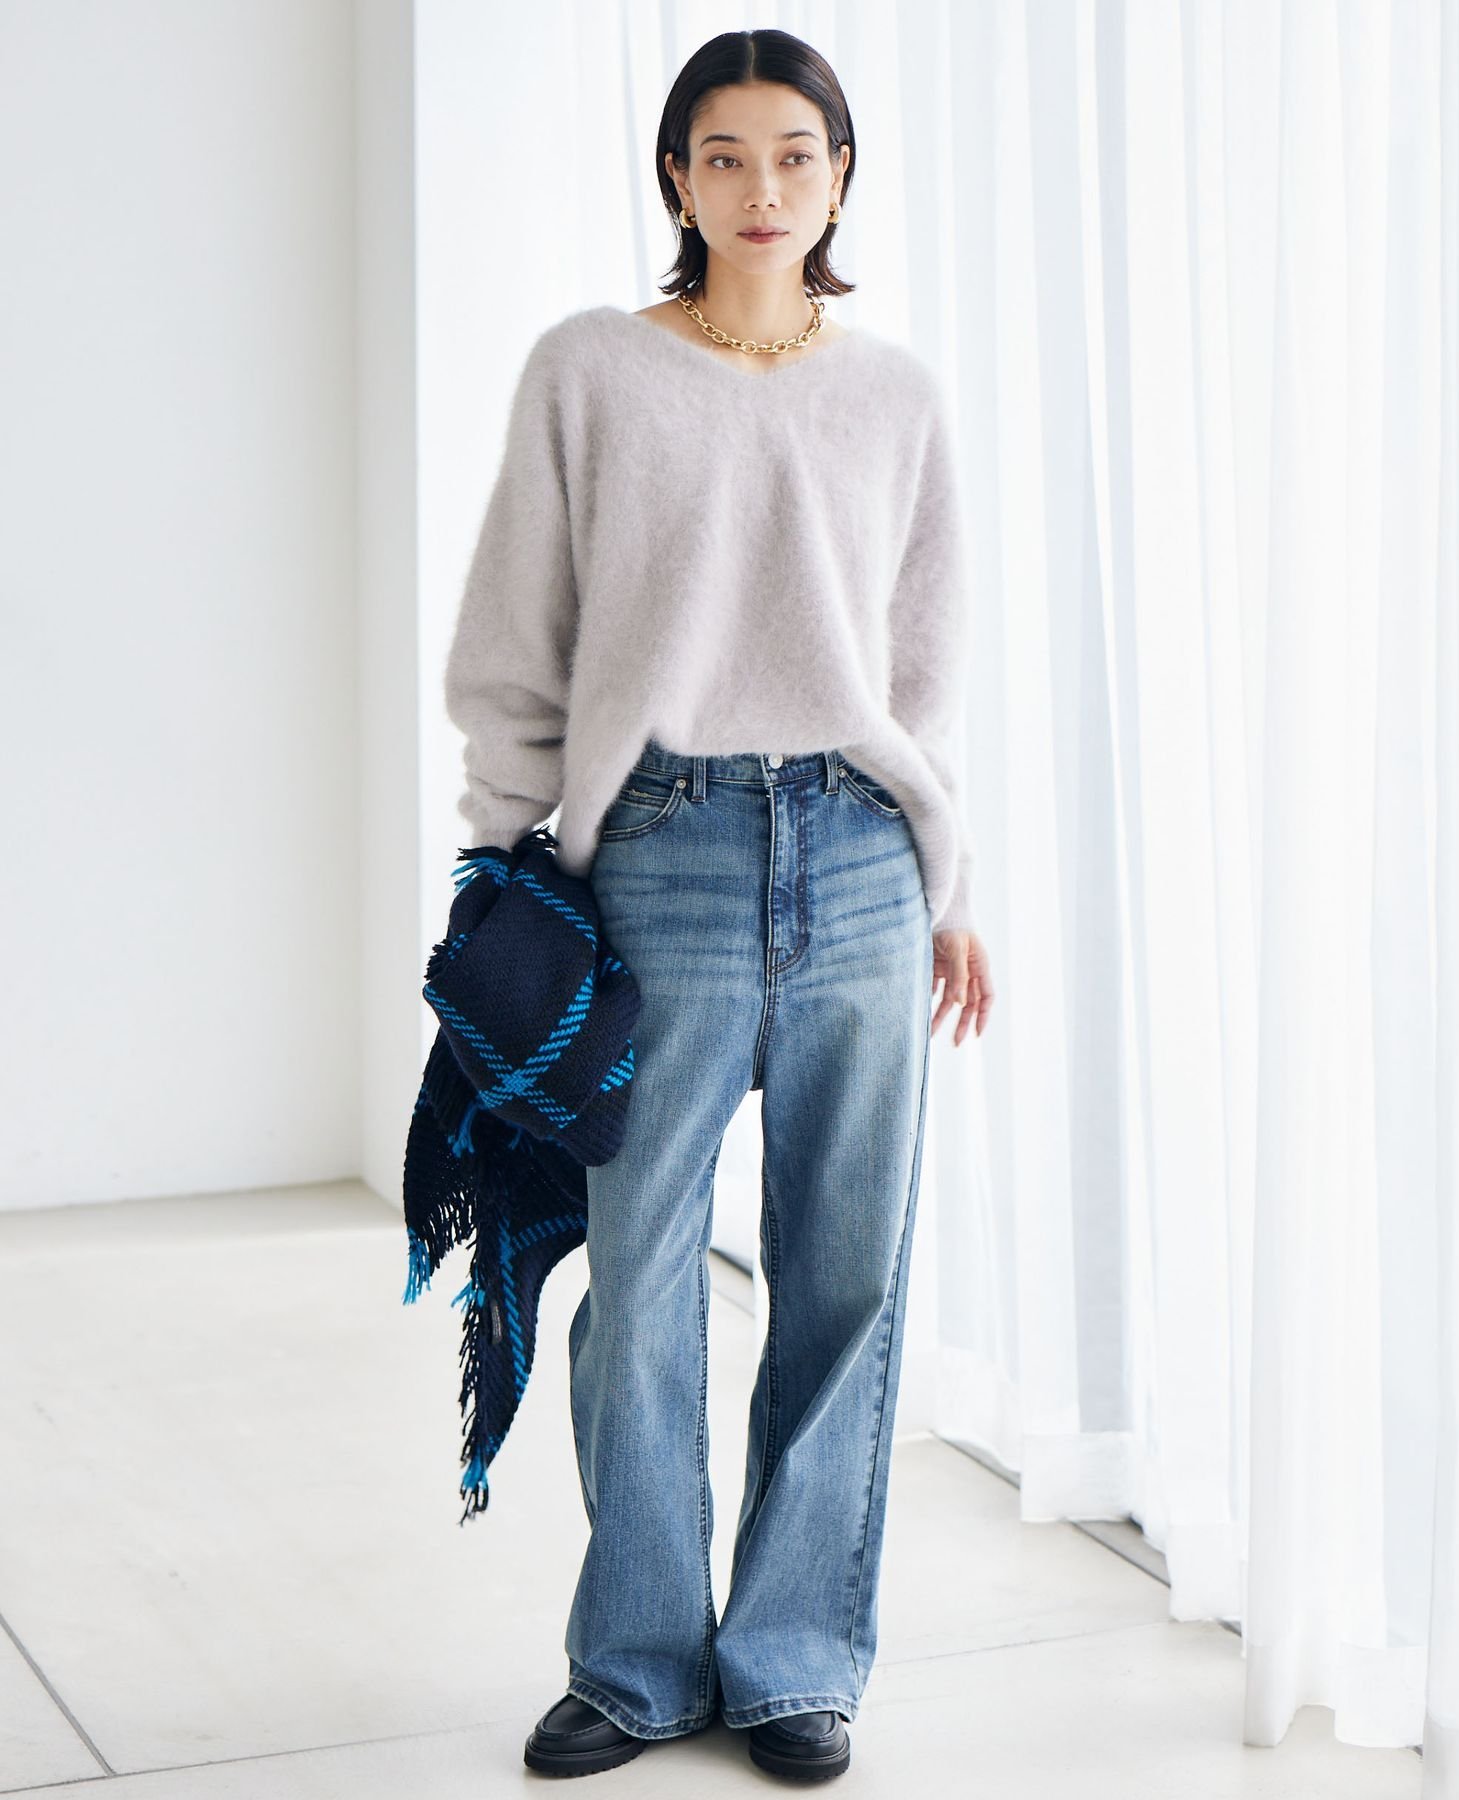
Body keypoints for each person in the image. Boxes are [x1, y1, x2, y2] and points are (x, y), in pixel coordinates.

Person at [442, 27, 994, 1783]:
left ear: (842, 175)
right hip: (661, 850)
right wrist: (496, 859)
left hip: (861, 856)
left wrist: (950, 883)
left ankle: (796, 1662)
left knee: (848, 1276)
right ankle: (635, 1662)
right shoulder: (592, 370)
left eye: (797, 155)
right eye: (727, 155)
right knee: (641, 1279)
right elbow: (517, 638)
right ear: (677, 176)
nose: (765, 189)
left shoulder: (895, 395)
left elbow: (925, 669)